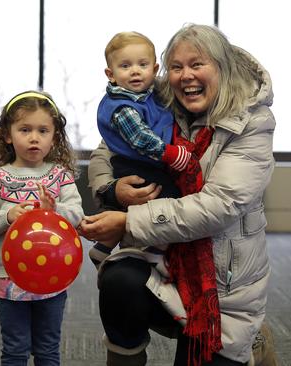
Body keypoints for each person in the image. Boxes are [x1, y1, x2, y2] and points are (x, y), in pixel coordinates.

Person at [79, 24, 278, 366]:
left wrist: (129, 221)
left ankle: (255, 340)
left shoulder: (252, 123)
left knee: (204, 351)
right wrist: (113, 190)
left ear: (222, 67)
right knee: (118, 280)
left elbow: (218, 207)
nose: (187, 76)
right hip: (163, 262)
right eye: (177, 67)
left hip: (221, 288)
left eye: (197, 64)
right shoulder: (160, 101)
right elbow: (104, 152)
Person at [0, 90, 84, 366]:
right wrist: (7, 216)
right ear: (8, 135)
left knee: (48, 350)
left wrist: (55, 210)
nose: (34, 137)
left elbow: (78, 215)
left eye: (43, 130)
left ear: (54, 137)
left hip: (53, 280)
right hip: (9, 279)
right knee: (14, 350)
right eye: (25, 129)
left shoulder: (60, 177)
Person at [89, 31, 192, 268]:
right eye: (125, 66)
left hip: (142, 161)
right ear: (111, 75)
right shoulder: (123, 107)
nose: (135, 71)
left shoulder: (148, 95)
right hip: (139, 164)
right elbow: (140, 139)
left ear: (155, 70)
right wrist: (171, 154)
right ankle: (156, 253)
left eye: (142, 64)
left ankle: (102, 249)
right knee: (170, 199)